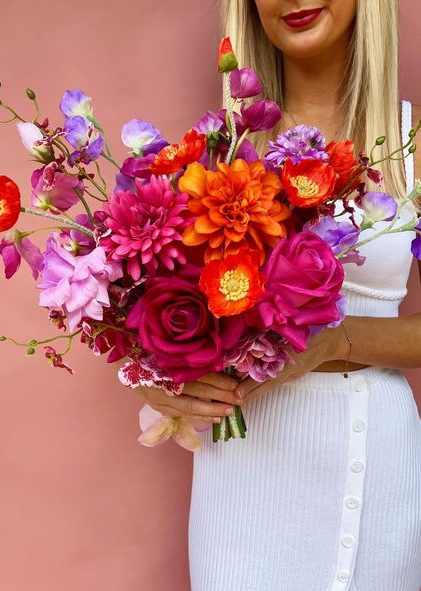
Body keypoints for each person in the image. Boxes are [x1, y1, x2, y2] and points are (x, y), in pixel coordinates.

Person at [133, 1, 421, 589]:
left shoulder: (411, 148)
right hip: (247, 471)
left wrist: (335, 341)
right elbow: (173, 306)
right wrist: (169, 381)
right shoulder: (219, 154)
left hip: (377, 457)